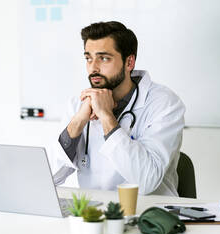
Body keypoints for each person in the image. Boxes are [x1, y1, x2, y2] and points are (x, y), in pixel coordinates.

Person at [54, 21, 185, 196]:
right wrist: (77, 122)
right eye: (88, 58)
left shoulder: (164, 103)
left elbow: (146, 182)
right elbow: (51, 177)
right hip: (94, 213)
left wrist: (106, 116)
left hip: (148, 214)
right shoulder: (79, 104)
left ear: (129, 62)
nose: (93, 68)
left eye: (104, 58)